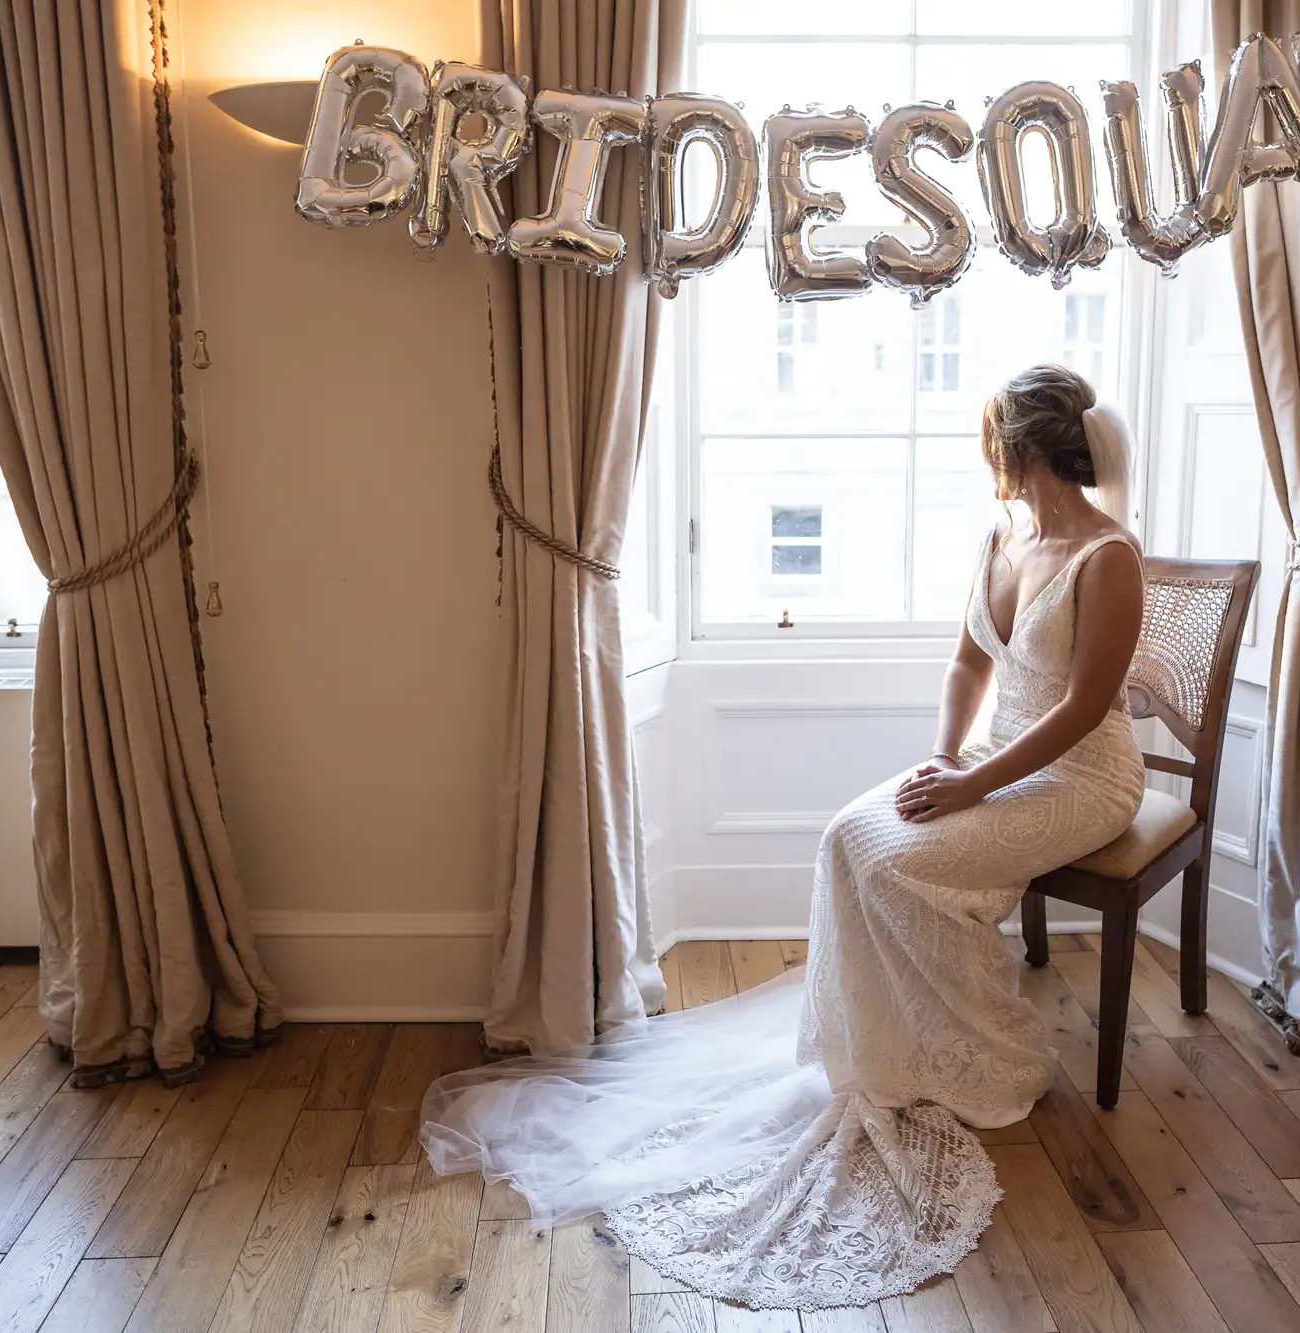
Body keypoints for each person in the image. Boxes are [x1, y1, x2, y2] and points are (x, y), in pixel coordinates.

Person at [421, 364, 1147, 1311]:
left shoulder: (1109, 556)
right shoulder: (1002, 536)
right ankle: (894, 1042)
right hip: (991, 751)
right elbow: (969, 661)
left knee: (903, 862)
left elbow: (1089, 707)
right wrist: (938, 762)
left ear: (1017, 446)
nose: (992, 461)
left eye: (993, 444)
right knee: (853, 834)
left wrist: (971, 785)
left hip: (1084, 776)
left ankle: (974, 1051)